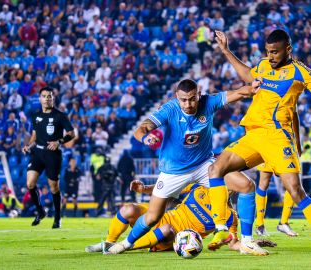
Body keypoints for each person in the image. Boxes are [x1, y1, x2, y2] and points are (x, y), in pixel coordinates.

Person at [208, 29, 311, 260]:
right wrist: (226, 50)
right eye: (268, 52)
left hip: (278, 137)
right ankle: (222, 229)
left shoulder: (299, 71)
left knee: (295, 191)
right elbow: (248, 75)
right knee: (215, 168)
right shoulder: (264, 65)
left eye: (275, 52)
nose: (271, 56)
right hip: (254, 135)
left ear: (289, 49)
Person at [107, 79, 266, 256]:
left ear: (199, 95)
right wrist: (146, 138)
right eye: (183, 100)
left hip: (204, 165)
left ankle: (247, 241)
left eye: (192, 99)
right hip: (173, 172)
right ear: (177, 97)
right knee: (152, 217)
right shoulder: (170, 109)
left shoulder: (209, 102)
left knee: (246, 185)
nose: (188, 104)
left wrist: (252, 89)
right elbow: (142, 128)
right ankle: (126, 244)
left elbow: (238, 93)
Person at [86, 180, 275, 254]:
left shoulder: (230, 217)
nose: (229, 185)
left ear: (235, 190)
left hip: (174, 237)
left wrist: (250, 243)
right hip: (163, 218)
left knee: (167, 229)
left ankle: (125, 247)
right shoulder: (199, 188)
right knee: (128, 209)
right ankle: (109, 243)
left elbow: (232, 243)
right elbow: (169, 187)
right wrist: (145, 189)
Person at [21, 86, 75, 229]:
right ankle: (40, 211)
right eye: (44, 96)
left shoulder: (60, 115)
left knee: (53, 187)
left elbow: (72, 133)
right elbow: (35, 135)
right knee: (30, 184)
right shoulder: (36, 115)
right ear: (40, 99)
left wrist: (59, 142)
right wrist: (28, 146)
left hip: (52, 155)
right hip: (37, 153)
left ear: (53, 98)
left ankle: (57, 218)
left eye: (49, 96)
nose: (47, 99)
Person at [255, 166, 298, 237]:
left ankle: (283, 223)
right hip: (269, 155)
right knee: (264, 182)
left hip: (283, 156)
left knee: (292, 183)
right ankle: (260, 225)